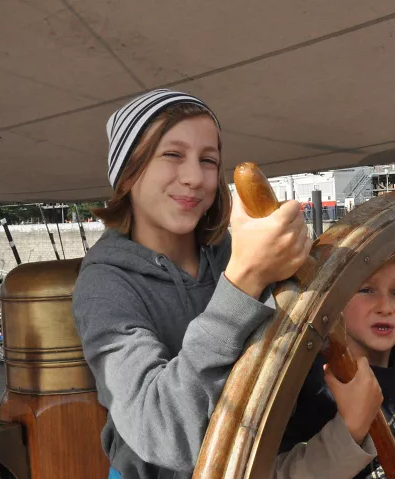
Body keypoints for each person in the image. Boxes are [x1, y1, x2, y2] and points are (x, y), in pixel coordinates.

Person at [72, 89, 312, 479]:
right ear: (128, 171)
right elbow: (163, 435)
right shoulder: (103, 287)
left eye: (208, 160)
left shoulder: (233, 254)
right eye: (172, 155)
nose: (194, 178)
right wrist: (243, 284)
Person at [274, 252, 395, 479]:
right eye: (366, 290)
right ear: (337, 298)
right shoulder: (309, 381)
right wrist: (351, 429)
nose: (384, 307)